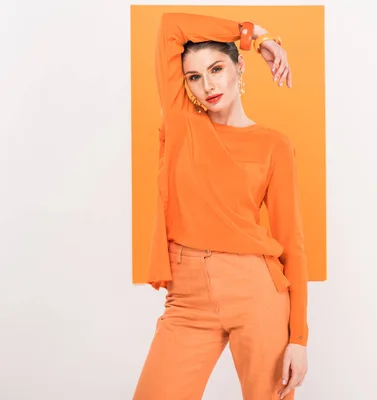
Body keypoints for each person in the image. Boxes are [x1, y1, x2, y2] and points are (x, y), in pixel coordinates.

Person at [132, 12, 309, 400]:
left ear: (237, 66)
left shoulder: (273, 145)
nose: (207, 85)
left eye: (216, 68)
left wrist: (298, 337)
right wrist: (256, 35)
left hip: (257, 290)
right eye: (194, 76)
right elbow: (169, 27)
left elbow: (290, 241)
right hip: (188, 296)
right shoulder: (183, 124)